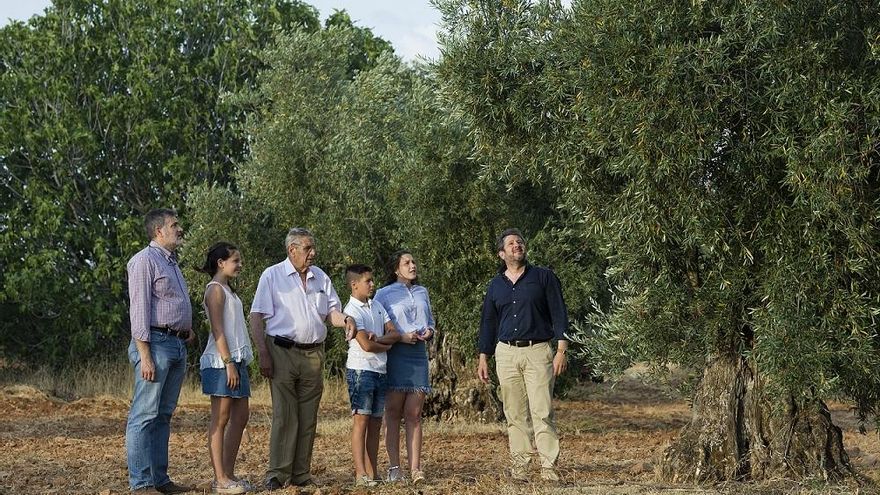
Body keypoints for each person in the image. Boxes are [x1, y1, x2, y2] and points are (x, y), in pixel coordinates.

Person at [249, 227, 357, 491]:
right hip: (282, 351)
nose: (313, 253)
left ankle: (301, 473)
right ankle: (277, 473)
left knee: (308, 416)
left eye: (313, 247)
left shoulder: (320, 277)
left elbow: (331, 313)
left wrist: (347, 320)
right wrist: (263, 352)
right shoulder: (272, 275)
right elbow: (256, 316)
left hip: (313, 355)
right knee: (285, 416)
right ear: (292, 250)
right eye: (308, 248)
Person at [477, 228, 569, 483]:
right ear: (501, 253)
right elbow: (488, 321)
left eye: (520, 242)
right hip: (505, 353)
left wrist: (561, 349)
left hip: (538, 351)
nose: (517, 245)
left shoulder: (544, 277)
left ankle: (549, 470)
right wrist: (483, 356)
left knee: (542, 411)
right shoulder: (495, 285)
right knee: (514, 414)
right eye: (511, 243)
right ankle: (520, 470)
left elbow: (559, 313)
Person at [125, 208, 195, 494]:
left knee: (163, 415)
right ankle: (141, 485)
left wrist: (185, 328)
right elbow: (139, 310)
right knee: (144, 415)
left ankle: (160, 481)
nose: (179, 229)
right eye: (174, 225)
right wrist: (145, 355)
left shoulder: (172, 263)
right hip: (155, 345)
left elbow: (168, 302)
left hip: (176, 345)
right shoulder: (144, 261)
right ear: (159, 231)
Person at [374, 250, 436, 484]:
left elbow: (430, 321)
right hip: (395, 355)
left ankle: (416, 469)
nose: (412, 265)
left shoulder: (423, 292)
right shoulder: (383, 294)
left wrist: (430, 331)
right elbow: (378, 325)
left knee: (414, 414)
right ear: (396, 269)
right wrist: (400, 337)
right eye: (406, 262)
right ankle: (394, 467)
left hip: (418, 355)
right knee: (392, 413)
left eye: (413, 261)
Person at [197, 242, 254, 495]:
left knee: (241, 416)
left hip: (237, 360)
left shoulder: (229, 290)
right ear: (221, 263)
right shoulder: (215, 290)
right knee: (220, 419)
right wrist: (228, 362)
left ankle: (229, 474)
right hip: (222, 362)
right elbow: (218, 329)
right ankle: (219, 479)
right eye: (236, 260)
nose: (240, 265)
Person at [342, 264, 401, 487]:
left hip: (380, 370)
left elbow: (394, 333)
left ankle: (373, 471)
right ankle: (360, 474)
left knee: (376, 423)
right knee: (361, 421)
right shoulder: (351, 311)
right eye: (368, 281)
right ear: (354, 284)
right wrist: (384, 344)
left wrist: (381, 341)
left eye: (372, 280)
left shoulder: (377, 305)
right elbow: (365, 345)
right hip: (361, 371)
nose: (372, 284)